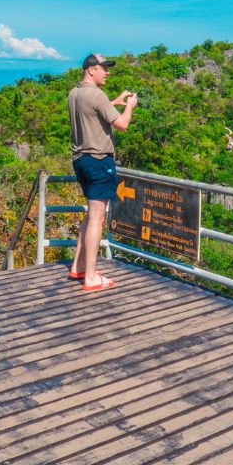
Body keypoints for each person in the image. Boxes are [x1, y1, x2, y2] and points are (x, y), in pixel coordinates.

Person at [68, 53, 137, 291]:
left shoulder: (74, 93)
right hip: (99, 160)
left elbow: (94, 112)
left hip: (80, 160)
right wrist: (129, 106)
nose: (107, 72)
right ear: (91, 69)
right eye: (103, 68)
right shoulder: (96, 95)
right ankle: (91, 276)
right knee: (98, 216)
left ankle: (78, 266)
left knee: (90, 214)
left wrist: (114, 102)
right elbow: (122, 124)